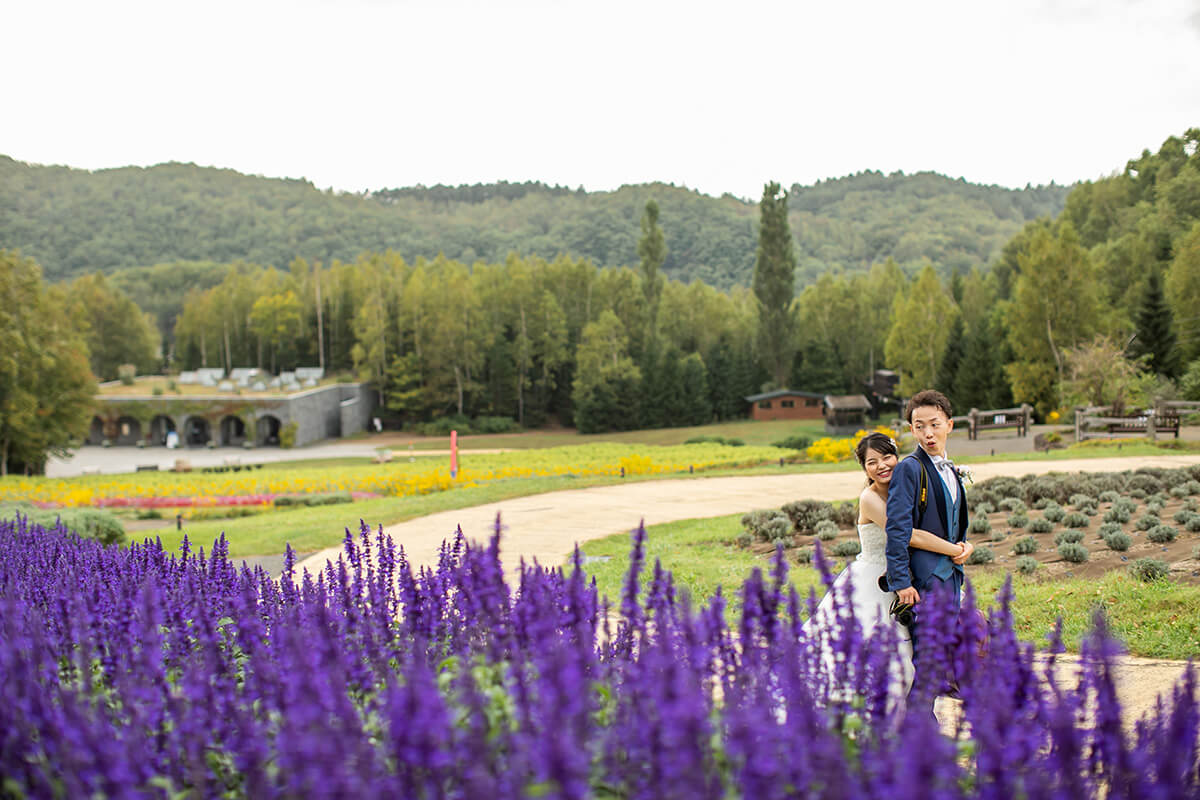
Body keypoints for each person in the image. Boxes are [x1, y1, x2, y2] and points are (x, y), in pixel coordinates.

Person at [805, 431, 972, 713]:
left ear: (897, 457)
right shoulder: (869, 499)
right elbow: (909, 536)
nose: (881, 465)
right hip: (876, 579)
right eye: (872, 462)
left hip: (910, 574)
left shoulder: (907, 486)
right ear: (864, 468)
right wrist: (955, 550)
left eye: (887, 457)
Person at [884, 389, 971, 717]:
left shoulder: (951, 471)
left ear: (949, 424)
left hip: (950, 577)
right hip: (923, 581)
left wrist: (964, 546)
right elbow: (898, 528)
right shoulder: (910, 468)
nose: (928, 433)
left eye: (934, 424)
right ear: (911, 430)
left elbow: (950, 520)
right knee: (929, 658)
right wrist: (901, 581)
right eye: (919, 426)